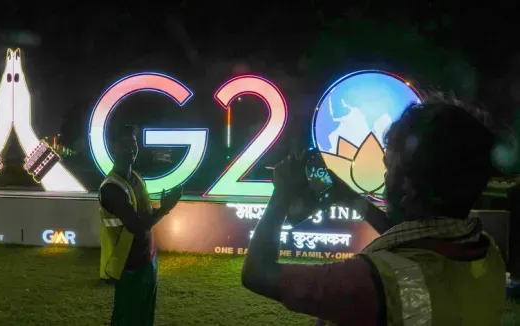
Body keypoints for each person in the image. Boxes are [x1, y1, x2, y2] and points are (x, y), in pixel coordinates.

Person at [242, 97, 507, 325]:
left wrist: (281, 194)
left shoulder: (377, 281)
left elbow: (258, 273)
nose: (385, 172)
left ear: (408, 189)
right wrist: (348, 197)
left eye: (390, 166)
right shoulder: (485, 252)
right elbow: (415, 240)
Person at [98, 125, 182, 325]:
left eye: (133, 143)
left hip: (148, 260)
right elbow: (137, 225)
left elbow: (146, 216)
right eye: (124, 144)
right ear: (112, 147)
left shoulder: (136, 178)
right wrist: (165, 209)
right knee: (127, 318)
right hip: (128, 265)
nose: (131, 148)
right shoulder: (111, 188)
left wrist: (161, 208)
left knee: (145, 317)